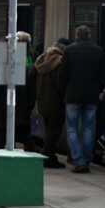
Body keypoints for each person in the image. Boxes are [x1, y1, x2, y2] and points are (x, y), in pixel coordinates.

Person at [59, 25, 105, 173]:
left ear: (77, 36)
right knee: (88, 129)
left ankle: (78, 160)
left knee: (72, 128)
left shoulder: (70, 50)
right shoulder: (98, 51)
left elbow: (62, 74)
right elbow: (104, 76)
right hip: (91, 97)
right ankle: (86, 160)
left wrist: (65, 90)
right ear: (90, 35)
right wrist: (97, 89)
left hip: (72, 96)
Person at [0, 32, 39, 152]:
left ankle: (0, 162)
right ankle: (36, 156)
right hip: (21, 109)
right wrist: (30, 105)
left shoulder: (3, 71)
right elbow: (32, 89)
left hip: (4, 110)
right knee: (25, 136)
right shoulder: (28, 67)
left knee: (1, 140)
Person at [29, 37, 70, 168]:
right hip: (56, 102)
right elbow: (61, 82)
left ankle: (50, 156)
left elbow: (31, 75)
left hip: (42, 101)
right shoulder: (60, 61)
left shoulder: (41, 58)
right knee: (54, 132)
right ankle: (46, 155)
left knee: (48, 131)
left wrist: (37, 90)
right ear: (64, 49)